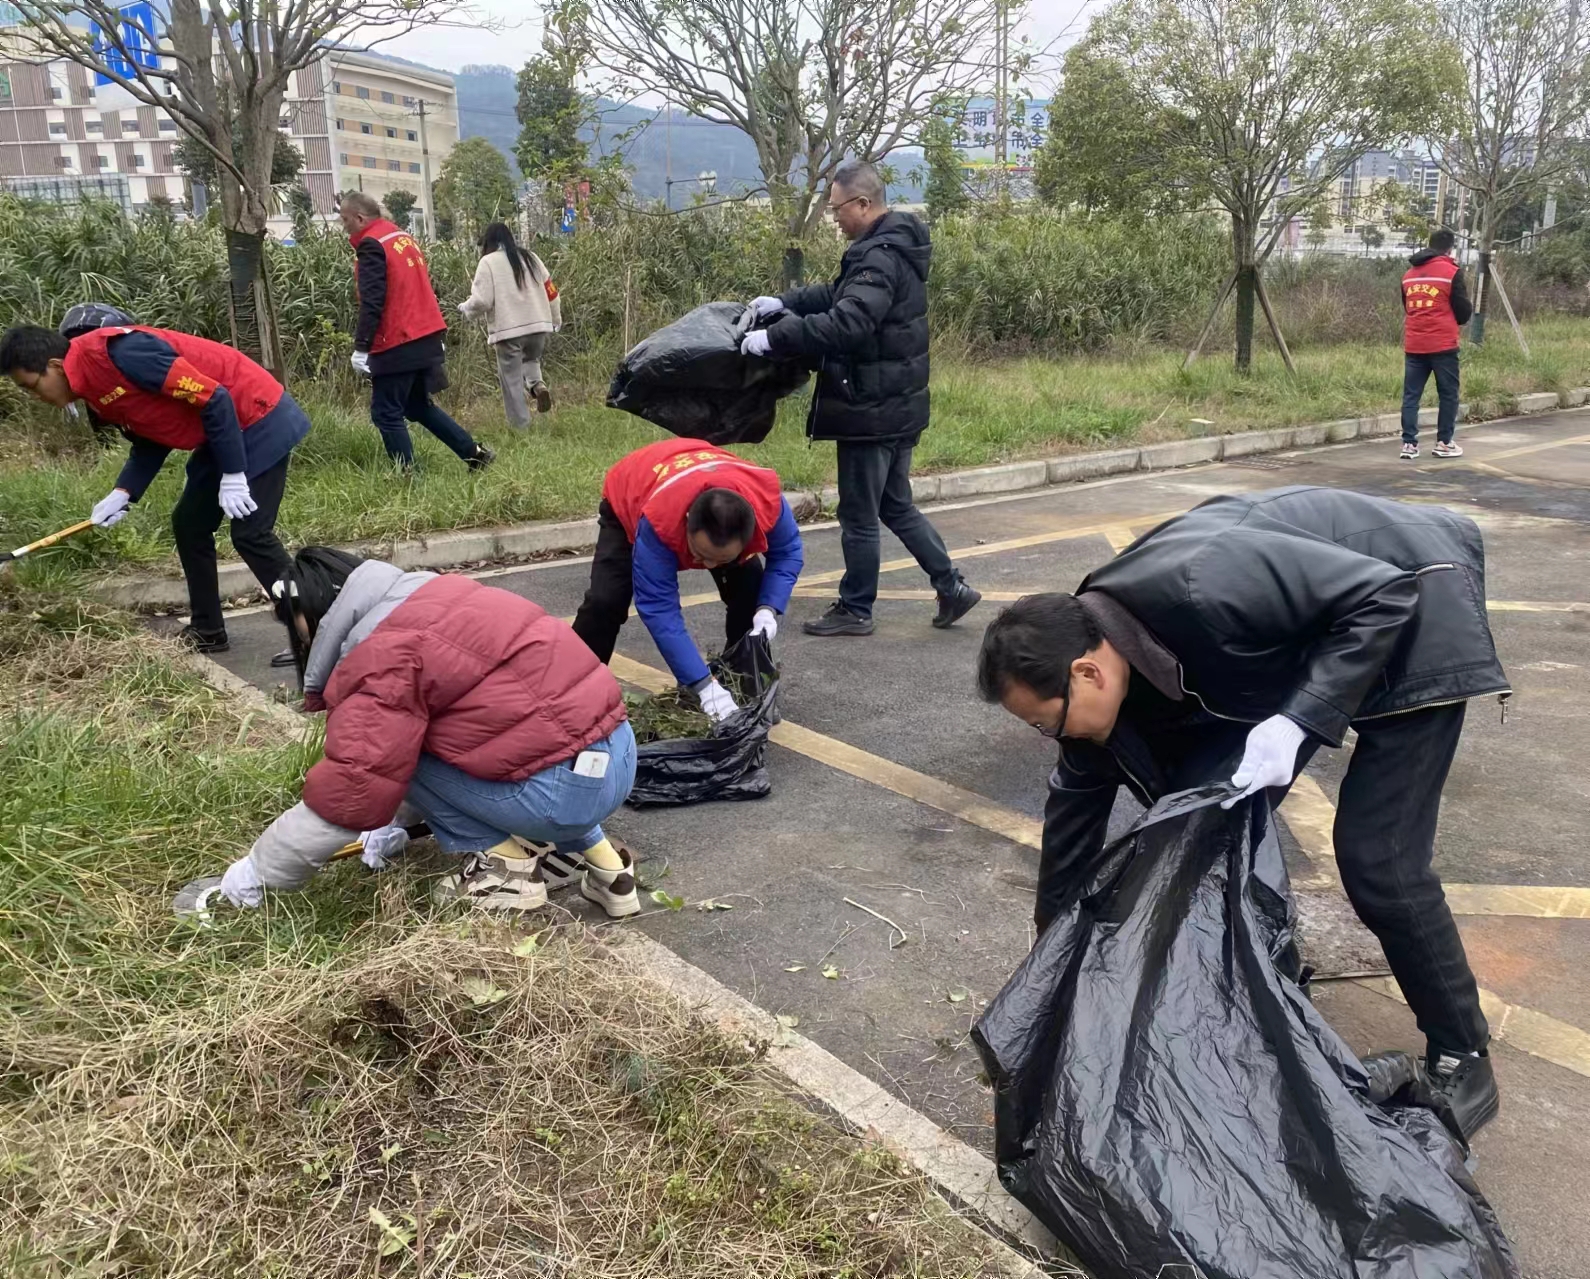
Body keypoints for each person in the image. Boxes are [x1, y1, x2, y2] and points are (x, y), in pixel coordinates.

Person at [975, 486, 1510, 1141]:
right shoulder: (1101, 643)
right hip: (1324, 636)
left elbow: (1385, 594)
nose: (1049, 736)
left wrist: (1299, 719)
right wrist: (1050, 989)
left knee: (1380, 859)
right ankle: (1275, 995)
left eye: (1045, 722)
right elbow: (1071, 831)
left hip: (1414, 611)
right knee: (1200, 830)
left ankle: (1463, 1057)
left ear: (1088, 673)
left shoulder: (1203, 585)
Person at [219, 547, 641, 917]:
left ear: (311, 612)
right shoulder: (443, 592)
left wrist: (260, 870)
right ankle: (612, 873)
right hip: (618, 757)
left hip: (559, 795)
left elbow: (353, 788)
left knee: (400, 754)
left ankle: (506, 873)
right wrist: (395, 822)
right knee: (540, 740)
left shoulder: (379, 654)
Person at [741, 158, 978, 638]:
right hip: (895, 402)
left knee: (859, 515)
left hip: (871, 408)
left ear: (864, 203)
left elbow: (847, 324)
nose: (834, 218)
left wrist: (775, 338)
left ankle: (856, 608)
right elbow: (839, 294)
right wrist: (785, 302)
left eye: (837, 209)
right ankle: (951, 586)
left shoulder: (878, 257)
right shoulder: (888, 248)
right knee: (894, 504)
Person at [1, 321, 308, 656]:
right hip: (220, 431)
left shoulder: (126, 354)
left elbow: (215, 397)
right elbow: (150, 437)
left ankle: (314, 628)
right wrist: (123, 492)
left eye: (32, 386)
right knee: (190, 525)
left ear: (55, 366)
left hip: (258, 415)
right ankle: (208, 630)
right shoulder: (90, 385)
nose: (36, 397)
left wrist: (233, 474)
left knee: (251, 533)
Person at [572, 439, 804, 717]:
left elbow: (788, 553)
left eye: (721, 559)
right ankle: (572, 691)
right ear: (687, 521)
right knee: (605, 602)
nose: (708, 565)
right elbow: (659, 609)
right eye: (700, 553)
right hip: (634, 489)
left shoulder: (768, 502)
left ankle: (739, 683)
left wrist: (768, 608)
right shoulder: (660, 521)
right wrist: (702, 685)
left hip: (703, 473)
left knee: (751, 589)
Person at [337, 191, 494, 472]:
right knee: (417, 405)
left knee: (386, 413)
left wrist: (362, 347)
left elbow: (373, 301)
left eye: (345, 219)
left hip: (398, 339)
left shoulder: (372, 245)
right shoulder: (401, 238)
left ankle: (407, 475)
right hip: (426, 334)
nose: (343, 225)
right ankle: (475, 454)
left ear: (359, 218)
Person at [458, 221, 562, 427]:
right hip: (539, 327)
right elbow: (552, 293)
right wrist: (555, 320)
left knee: (511, 381)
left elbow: (482, 301)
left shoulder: (488, 262)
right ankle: (537, 386)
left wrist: (465, 309)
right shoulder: (531, 258)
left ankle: (520, 428)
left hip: (509, 331)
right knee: (531, 359)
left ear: (487, 243)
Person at [1400, 227, 1473, 461]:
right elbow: (1463, 311)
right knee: (1448, 394)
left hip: (1414, 344)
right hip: (1443, 345)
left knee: (1411, 395)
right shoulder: (1451, 272)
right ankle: (1444, 442)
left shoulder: (1408, 275)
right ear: (1450, 249)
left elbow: (1408, 307)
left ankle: (1409, 444)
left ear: (1429, 245)